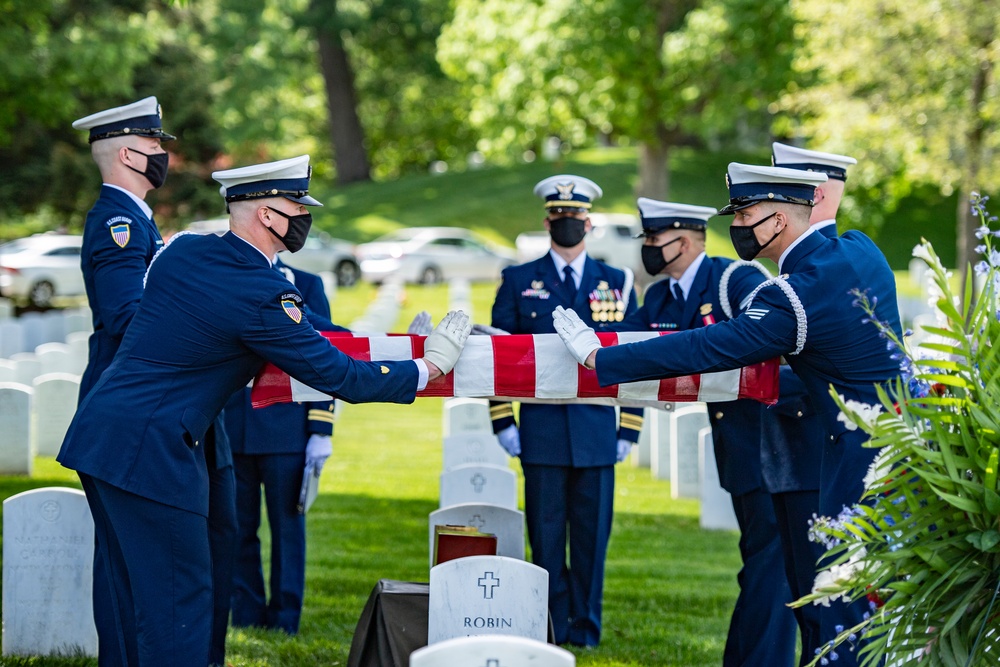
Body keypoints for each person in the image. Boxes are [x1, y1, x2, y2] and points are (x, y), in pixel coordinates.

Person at [57, 154, 471, 665]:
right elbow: (337, 375)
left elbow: (309, 332)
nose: (303, 217)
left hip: (102, 437)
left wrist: (400, 345)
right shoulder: (259, 290)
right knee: (177, 606)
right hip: (152, 453)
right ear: (267, 215)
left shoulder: (189, 252)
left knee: (127, 600)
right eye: (296, 206)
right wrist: (427, 368)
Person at [553, 162, 900, 667]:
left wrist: (599, 358)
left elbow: (709, 346)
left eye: (746, 213)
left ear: (778, 220)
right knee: (845, 612)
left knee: (840, 619)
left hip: (851, 467)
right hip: (892, 457)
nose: (736, 225)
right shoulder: (862, 250)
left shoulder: (794, 296)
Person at [71, 97, 237, 667]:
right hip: (135, 409)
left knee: (157, 564)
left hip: (162, 402)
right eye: (156, 146)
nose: (165, 155)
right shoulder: (117, 222)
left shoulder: (140, 220)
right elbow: (126, 314)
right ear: (126, 153)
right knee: (134, 568)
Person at [614, 198, 797, 665]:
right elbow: (618, 348)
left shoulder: (733, 279)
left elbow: (768, 340)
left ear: (689, 239)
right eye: (648, 241)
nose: (650, 249)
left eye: (657, 240)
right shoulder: (657, 298)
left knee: (770, 566)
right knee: (759, 560)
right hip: (735, 445)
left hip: (771, 441)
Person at [489, 175, 642, 647]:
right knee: (547, 537)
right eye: (559, 216)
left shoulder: (615, 282)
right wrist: (503, 423)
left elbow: (635, 358)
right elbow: (495, 358)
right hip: (542, 430)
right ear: (547, 221)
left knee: (593, 541)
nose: (567, 223)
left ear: (589, 222)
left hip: (597, 431)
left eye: (575, 217)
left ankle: (586, 628)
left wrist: (630, 430)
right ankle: (549, 628)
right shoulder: (519, 281)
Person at [766, 143, 859, 662]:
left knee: (829, 606)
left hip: (820, 457)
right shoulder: (805, 265)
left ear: (815, 194)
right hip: (795, 454)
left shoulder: (830, 268)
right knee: (809, 603)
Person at [223, 257, 343, 635]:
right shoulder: (226, 275)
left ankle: (286, 617)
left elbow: (327, 354)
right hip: (232, 423)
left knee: (287, 530)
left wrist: (320, 427)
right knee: (238, 528)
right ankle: (246, 611)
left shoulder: (305, 284)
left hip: (286, 428)